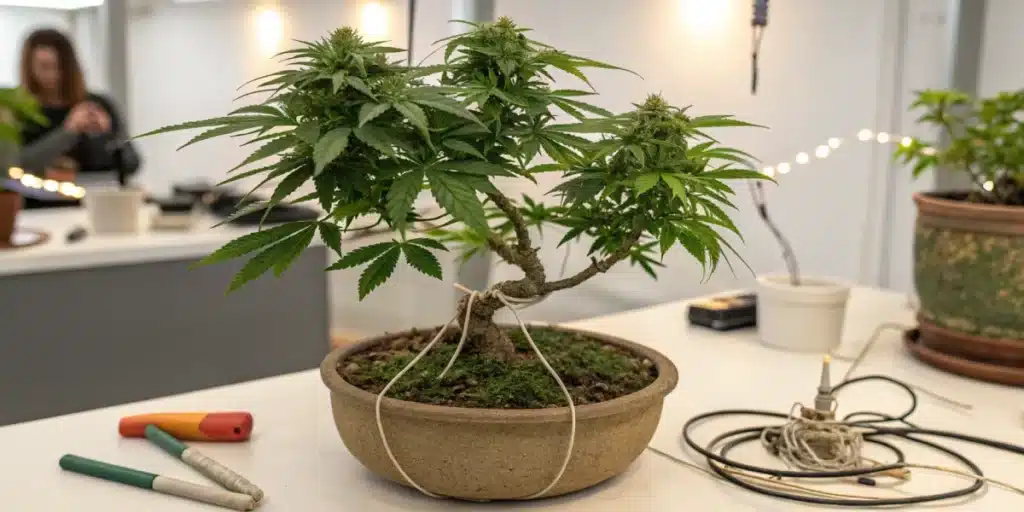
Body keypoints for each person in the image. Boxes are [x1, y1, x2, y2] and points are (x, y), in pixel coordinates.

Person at [15, 28, 140, 208]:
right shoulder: (20, 112)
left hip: (95, 207)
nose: (53, 75)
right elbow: (17, 167)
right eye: (44, 66)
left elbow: (131, 163)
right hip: (39, 210)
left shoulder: (98, 104)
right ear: (29, 67)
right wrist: (69, 131)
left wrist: (106, 136)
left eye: (59, 66)